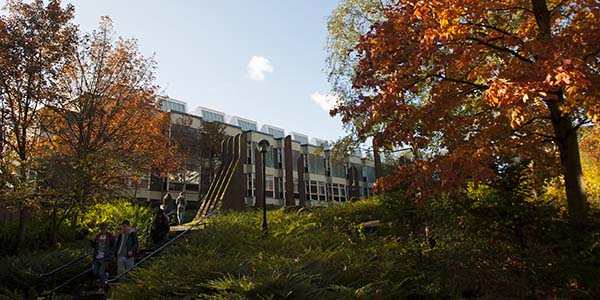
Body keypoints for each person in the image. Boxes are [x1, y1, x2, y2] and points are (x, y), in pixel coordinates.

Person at [90, 222, 114, 292]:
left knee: (101, 273)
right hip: (97, 258)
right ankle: (106, 276)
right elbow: (93, 246)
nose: (103, 230)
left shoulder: (110, 236)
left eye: (104, 228)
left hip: (104, 258)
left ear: (107, 228)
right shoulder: (98, 236)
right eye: (101, 229)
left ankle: (102, 287)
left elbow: (113, 247)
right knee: (95, 272)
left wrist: (110, 255)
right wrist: (92, 240)